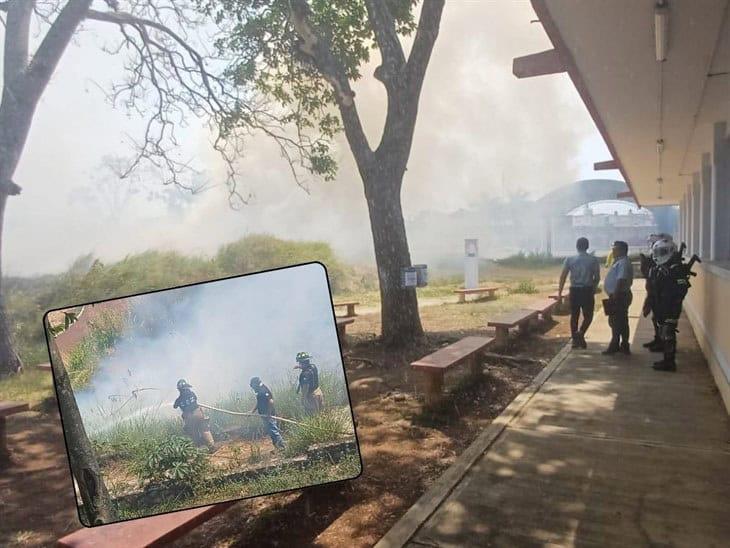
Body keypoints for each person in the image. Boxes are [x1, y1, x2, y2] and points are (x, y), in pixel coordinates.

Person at [649, 239, 698, 372]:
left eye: (662, 252)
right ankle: (666, 359)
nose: (658, 254)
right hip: (663, 305)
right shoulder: (662, 268)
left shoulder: (675, 268)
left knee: (668, 333)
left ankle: (669, 362)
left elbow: (682, 287)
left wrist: (674, 301)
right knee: (663, 331)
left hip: (671, 306)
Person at [558, 237, 601, 349]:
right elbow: (597, 277)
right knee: (588, 316)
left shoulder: (570, 259)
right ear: (587, 246)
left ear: (577, 246)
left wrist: (560, 293)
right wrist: (594, 288)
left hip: (574, 290)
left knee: (574, 315)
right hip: (587, 290)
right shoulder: (593, 260)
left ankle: (575, 340)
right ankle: (581, 333)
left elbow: (563, 276)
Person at [602, 241, 634, 355]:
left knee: (617, 321)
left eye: (615, 249)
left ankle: (616, 344)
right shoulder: (620, 262)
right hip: (618, 295)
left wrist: (614, 296)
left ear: (622, 250)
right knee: (618, 321)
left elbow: (621, 280)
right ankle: (621, 344)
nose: (613, 251)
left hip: (620, 295)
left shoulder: (623, 263)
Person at [173, 379, 215, 451]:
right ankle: (211, 446)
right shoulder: (192, 394)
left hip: (189, 418)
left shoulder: (179, 400)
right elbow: (195, 399)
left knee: (193, 433)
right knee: (204, 429)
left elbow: (175, 406)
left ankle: (199, 450)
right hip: (198, 413)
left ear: (179, 390)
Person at [249, 377, 286, 450]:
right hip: (265, 415)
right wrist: (252, 411)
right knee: (271, 432)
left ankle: (282, 448)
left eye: (252, 385)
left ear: (256, 384)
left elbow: (271, 401)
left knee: (273, 431)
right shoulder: (259, 390)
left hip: (269, 415)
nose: (252, 387)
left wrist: (268, 414)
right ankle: (277, 448)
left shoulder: (262, 390)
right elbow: (259, 402)